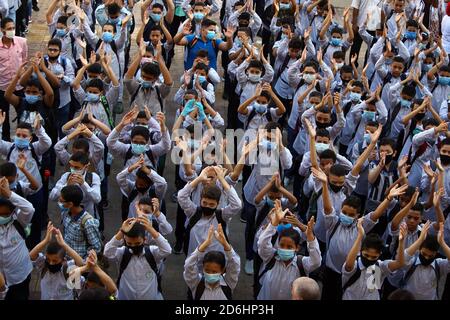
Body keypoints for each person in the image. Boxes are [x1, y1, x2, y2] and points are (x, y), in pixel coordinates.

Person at [103, 216, 171, 300]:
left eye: (137, 243)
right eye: (129, 243)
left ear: (144, 240)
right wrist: (121, 232)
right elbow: (107, 252)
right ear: (124, 240)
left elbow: (167, 250)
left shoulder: (152, 253)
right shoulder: (122, 253)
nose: (133, 246)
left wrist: (150, 229)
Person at [29, 222, 84, 300]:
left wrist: (64, 245)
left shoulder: (68, 270)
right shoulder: (43, 266)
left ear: (63, 260)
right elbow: (31, 255)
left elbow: (81, 263)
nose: (51, 263)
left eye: (55, 261)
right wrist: (46, 240)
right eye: (48, 259)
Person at [0, 176, 35, 300]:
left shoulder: (18, 222)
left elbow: (29, 209)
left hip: (20, 276)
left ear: (13, 212)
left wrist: (9, 194)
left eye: (5, 214)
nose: (2, 217)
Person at [184, 224, 240, 300]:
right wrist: (204, 245)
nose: (210, 274)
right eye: (207, 270)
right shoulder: (196, 283)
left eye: (214, 271)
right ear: (203, 268)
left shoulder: (229, 283)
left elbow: (235, 265)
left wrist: (225, 244)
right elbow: (188, 266)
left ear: (222, 270)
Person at [0, 17, 28, 141]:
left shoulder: (22, 42)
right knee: (3, 117)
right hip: (3, 87)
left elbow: (24, 59)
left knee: (22, 114)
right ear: (2, 30)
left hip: (19, 86)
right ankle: (6, 142)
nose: (12, 30)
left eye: (13, 28)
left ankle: (21, 139)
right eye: (9, 29)